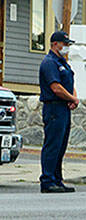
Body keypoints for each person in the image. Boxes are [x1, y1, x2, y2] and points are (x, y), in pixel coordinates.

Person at [39, 29, 79, 193]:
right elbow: (56, 87)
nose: (67, 47)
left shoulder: (62, 62)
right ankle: (47, 180)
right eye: (65, 44)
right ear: (55, 44)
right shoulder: (49, 62)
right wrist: (71, 98)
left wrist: (72, 98)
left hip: (63, 107)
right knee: (53, 144)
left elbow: (68, 83)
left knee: (61, 145)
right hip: (54, 107)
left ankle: (57, 179)